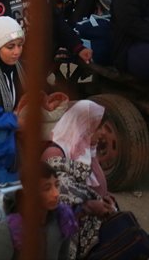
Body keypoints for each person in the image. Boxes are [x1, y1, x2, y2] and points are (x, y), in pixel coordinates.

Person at [41, 102, 112, 259]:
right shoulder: (55, 152)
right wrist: (92, 205)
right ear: (84, 125)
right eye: (98, 127)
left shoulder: (81, 151)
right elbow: (61, 196)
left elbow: (99, 186)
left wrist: (92, 151)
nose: (102, 133)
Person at [0, 161, 78, 260]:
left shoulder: (62, 220)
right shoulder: (6, 231)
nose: (56, 194)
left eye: (56, 185)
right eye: (47, 188)